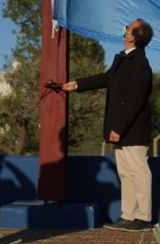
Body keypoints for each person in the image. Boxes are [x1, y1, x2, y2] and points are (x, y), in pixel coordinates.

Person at [62, 19, 154, 232]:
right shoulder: (122, 60)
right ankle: (128, 215)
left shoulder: (140, 63)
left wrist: (119, 128)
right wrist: (78, 84)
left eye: (127, 28)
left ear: (132, 37)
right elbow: (106, 78)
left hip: (133, 130)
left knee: (139, 171)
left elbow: (135, 100)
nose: (123, 31)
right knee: (125, 173)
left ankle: (143, 217)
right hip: (122, 129)